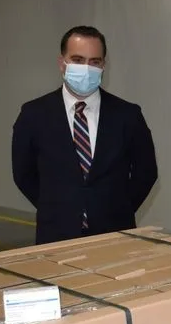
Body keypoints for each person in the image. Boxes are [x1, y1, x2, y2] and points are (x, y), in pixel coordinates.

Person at [12, 25, 158, 244]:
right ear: (62, 63)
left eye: (94, 62)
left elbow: (146, 173)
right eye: (78, 60)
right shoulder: (34, 115)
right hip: (56, 236)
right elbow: (23, 174)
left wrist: (118, 207)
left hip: (116, 234)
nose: (86, 68)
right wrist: (57, 207)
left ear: (103, 66)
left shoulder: (128, 115)